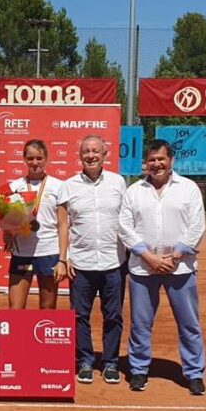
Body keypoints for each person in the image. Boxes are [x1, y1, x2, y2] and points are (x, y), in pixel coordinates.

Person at [118, 139, 206, 395]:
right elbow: (125, 227)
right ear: (145, 163)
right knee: (141, 323)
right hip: (142, 268)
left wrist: (176, 255)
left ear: (171, 161)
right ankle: (138, 370)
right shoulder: (134, 191)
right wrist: (149, 257)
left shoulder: (188, 189)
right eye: (152, 160)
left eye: (161, 159)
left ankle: (194, 373)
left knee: (188, 322)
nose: (156, 164)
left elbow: (197, 226)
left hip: (180, 268)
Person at [57, 135, 128, 385]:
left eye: (95, 151)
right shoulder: (68, 186)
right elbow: (64, 225)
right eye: (86, 151)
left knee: (114, 316)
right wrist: (64, 258)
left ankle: (110, 363)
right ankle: (85, 361)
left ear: (105, 154)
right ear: (79, 155)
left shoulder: (119, 183)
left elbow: (128, 220)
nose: (90, 155)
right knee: (79, 316)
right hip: (81, 264)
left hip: (114, 262)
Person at [6, 139, 65, 310]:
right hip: (22, 252)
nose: (35, 163)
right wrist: (8, 231)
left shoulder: (58, 186)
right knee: (15, 309)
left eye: (39, 158)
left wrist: (62, 258)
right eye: (30, 158)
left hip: (49, 252)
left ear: (46, 159)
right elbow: (6, 219)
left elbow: (63, 224)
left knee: (47, 308)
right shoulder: (15, 186)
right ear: (24, 159)